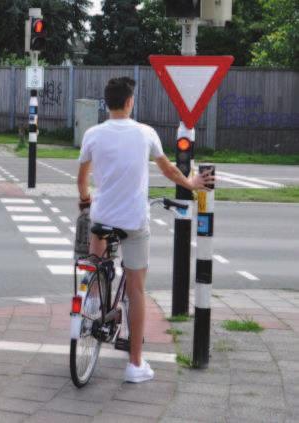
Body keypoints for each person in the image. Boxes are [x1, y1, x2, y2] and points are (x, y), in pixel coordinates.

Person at [76, 77, 214, 383]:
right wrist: (191, 183)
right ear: (129, 102)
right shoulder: (145, 133)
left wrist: (85, 200)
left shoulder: (92, 135)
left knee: (95, 266)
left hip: (101, 219)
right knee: (136, 290)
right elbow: (168, 169)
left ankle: (93, 303)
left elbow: (82, 176)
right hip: (134, 223)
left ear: (106, 102)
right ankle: (135, 364)